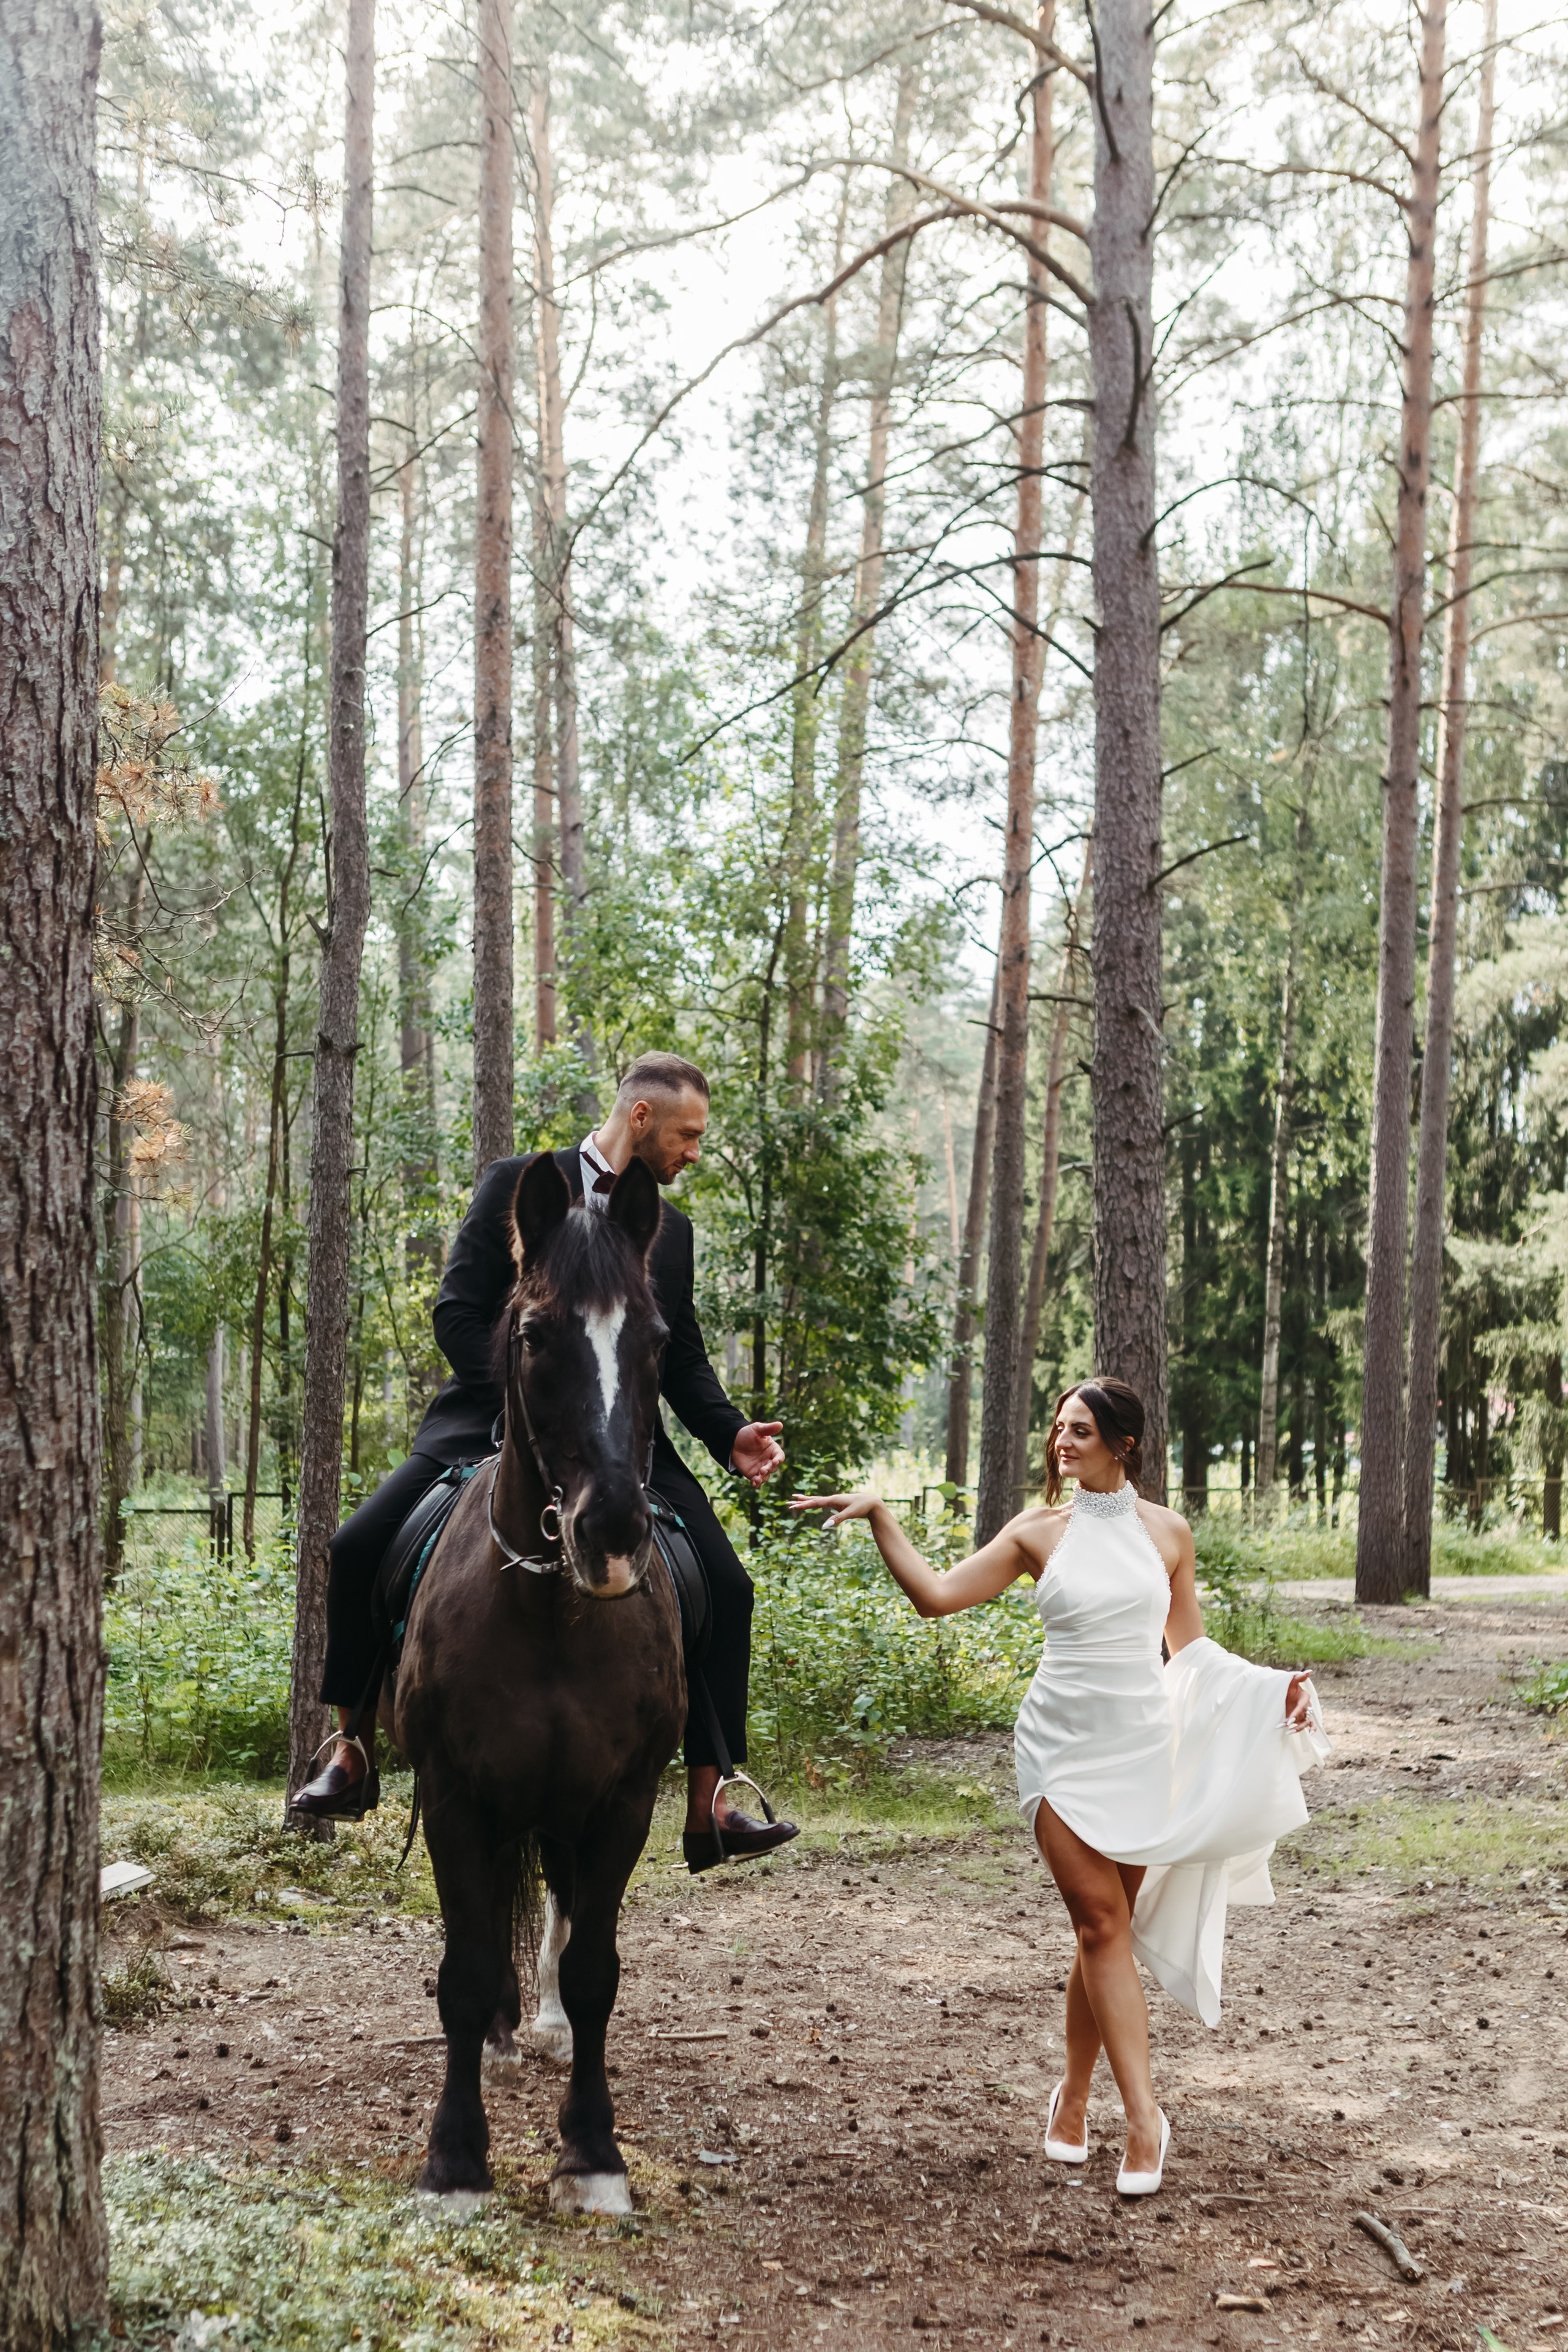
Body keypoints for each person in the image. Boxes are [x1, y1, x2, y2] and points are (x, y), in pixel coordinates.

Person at [793, 1377, 1327, 2197]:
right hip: (1058, 1751)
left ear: (1124, 1444)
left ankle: (1073, 2095)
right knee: (1102, 1921)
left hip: (1143, 1751)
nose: (1061, 1442)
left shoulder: (1168, 1533)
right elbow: (936, 1597)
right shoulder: (1037, 1532)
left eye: (1080, 1430)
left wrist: (1270, 1691)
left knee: (1100, 1934)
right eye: (1058, 1428)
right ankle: (1145, 2119)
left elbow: (1190, 1651)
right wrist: (882, 1516)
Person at [292, 1050, 800, 1873]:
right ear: (641, 1117)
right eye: (688, 1135)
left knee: (729, 1588)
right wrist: (527, 1398)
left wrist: (729, 1433)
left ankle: (711, 1799)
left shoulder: (672, 1233)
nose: (695, 1153)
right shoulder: (516, 1187)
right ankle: (350, 1747)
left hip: (624, 1440)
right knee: (356, 1546)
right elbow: (458, 1314)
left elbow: (680, 1358)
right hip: (495, 1416)